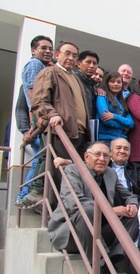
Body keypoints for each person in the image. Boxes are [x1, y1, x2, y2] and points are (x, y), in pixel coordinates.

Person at [47, 142, 139, 272]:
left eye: (106, 156)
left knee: (133, 215)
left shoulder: (110, 173)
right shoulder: (73, 170)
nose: (102, 159)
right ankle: (100, 264)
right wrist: (111, 211)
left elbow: (128, 195)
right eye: (97, 154)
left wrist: (132, 204)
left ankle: (112, 259)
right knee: (88, 210)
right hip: (72, 233)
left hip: (99, 232)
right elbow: (74, 202)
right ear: (86, 156)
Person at [26, 42, 91, 206]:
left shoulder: (76, 78)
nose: (70, 58)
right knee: (58, 175)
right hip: (61, 132)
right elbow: (39, 101)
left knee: (79, 176)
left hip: (81, 134)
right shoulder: (49, 72)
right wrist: (52, 115)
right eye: (67, 53)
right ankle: (53, 213)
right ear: (57, 54)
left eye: (74, 55)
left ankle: (72, 213)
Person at [15, 35, 53, 204]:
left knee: (42, 155)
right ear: (33, 50)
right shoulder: (34, 64)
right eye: (43, 48)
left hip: (39, 117)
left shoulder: (42, 66)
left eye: (50, 49)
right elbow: (33, 92)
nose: (47, 51)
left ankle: (25, 194)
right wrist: (39, 117)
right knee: (41, 155)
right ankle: (24, 195)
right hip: (40, 117)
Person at [96, 71, 134, 144]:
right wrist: (123, 126)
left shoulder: (123, 103)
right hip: (106, 140)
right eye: (112, 81)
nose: (116, 84)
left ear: (122, 85)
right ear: (107, 83)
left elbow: (131, 123)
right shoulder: (102, 96)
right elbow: (106, 120)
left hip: (121, 140)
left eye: (119, 82)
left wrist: (114, 116)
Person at [75, 50, 99, 119]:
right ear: (79, 64)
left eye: (94, 63)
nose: (91, 66)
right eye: (88, 62)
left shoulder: (93, 85)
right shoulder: (73, 79)